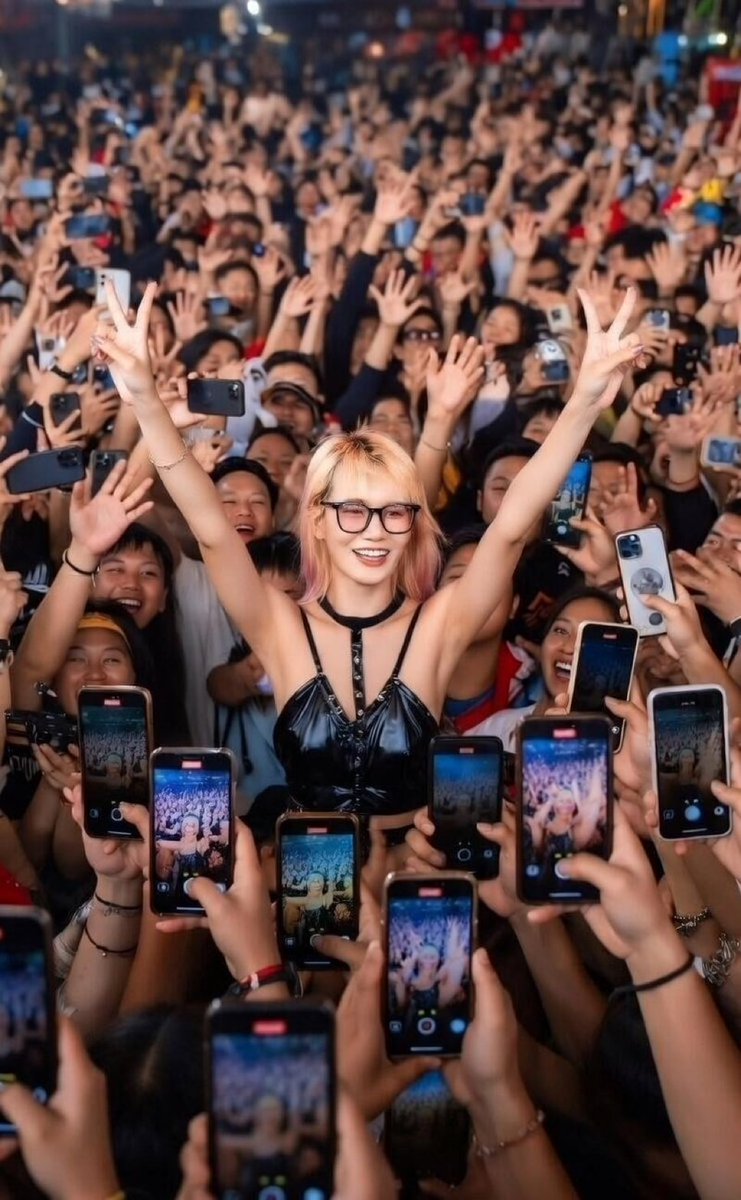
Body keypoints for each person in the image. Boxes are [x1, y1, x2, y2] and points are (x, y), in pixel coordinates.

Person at [91, 280, 643, 849]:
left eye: (394, 513)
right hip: (305, 880)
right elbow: (209, 527)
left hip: (417, 876)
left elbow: (508, 531)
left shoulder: (439, 624)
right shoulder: (280, 623)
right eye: (354, 511)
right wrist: (145, 400)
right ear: (320, 520)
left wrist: (583, 402)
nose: (375, 531)